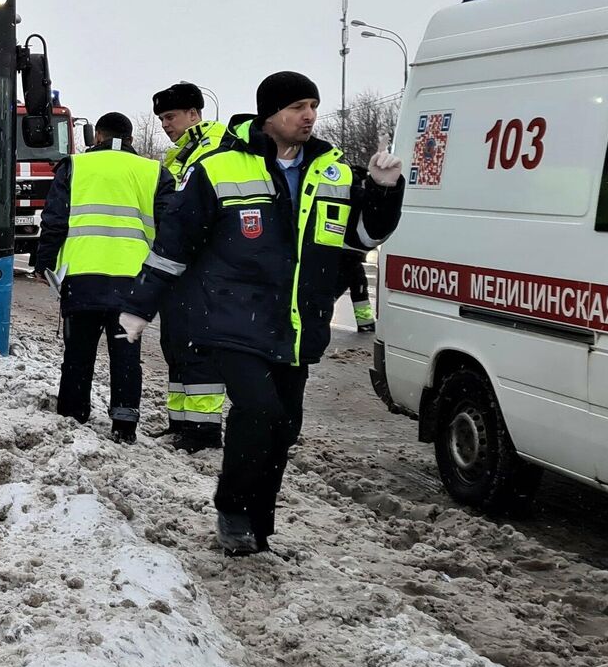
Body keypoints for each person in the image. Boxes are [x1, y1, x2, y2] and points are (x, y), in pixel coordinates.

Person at [122, 71, 405, 555]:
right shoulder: (221, 167)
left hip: (298, 323)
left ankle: (260, 525)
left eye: (312, 106)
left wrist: (382, 189)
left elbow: (362, 239)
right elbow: (176, 243)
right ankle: (233, 511)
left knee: (284, 426)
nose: (308, 116)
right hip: (233, 319)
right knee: (259, 410)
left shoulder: (333, 171)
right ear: (269, 114)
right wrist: (140, 306)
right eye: (297, 107)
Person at [32, 112, 172, 443]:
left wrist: (44, 264)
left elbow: (55, 220)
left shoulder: (76, 167)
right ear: (131, 140)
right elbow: (170, 230)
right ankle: (124, 423)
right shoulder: (154, 172)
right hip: (134, 283)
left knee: (78, 353)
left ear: (97, 137)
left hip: (83, 278)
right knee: (126, 353)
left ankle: (73, 414)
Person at [149, 81, 231, 450]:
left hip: (204, 269)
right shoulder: (181, 155)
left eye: (171, 116)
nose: (166, 124)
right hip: (181, 267)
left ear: (194, 114)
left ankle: (204, 431)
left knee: (197, 350)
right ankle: (180, 423)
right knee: (176, 346)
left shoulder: (213, 149)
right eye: (162, 118)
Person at [344, 250, 376, 332]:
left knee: (359, 288)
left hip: (349, 257)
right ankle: (365, 323)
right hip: (344, 257)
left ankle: (365, 323)